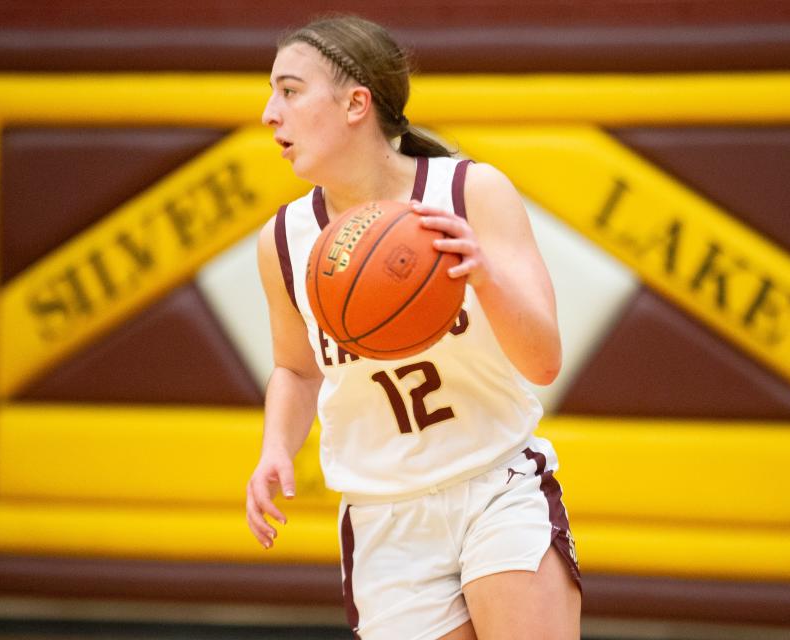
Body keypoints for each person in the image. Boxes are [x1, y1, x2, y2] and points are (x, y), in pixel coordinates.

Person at [247, 14, 582, 640]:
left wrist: (484, 277)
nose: (270, 112)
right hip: (385, 517)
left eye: (289, 91)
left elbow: (544, 362)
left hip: (495, 481)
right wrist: (274, 448)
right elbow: (296, 369)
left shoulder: (469, 192)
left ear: (355, 104)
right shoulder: (285, 241)